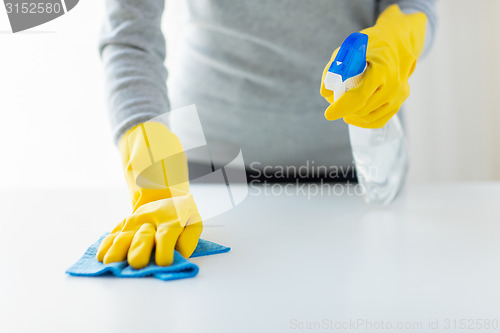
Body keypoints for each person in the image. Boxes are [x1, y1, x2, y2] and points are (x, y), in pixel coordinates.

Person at [96, 0, 437, 269]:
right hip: (209, 174)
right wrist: (153, 173)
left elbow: (412, 5)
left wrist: (397, 38)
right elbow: (130, 37)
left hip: (354, 170)